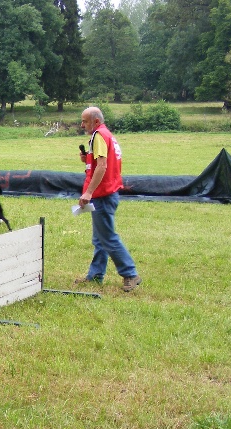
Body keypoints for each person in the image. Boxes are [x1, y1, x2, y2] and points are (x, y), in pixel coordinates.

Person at [75, 107, 142, 292]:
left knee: (108, 238)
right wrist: (87, 158)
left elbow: (102, 166)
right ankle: (95, 276)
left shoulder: (98, 136)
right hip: (109, 192)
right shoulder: (106, 135)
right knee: (100, 239)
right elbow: (103, 161)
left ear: (96, 121)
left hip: (103, 194)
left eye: (85, 121)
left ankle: (130, 273)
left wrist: (88, 192)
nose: (82, 125)